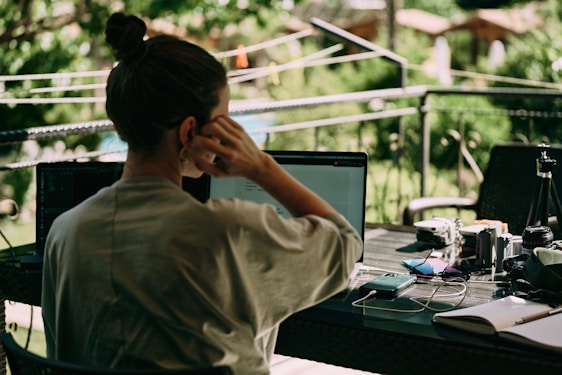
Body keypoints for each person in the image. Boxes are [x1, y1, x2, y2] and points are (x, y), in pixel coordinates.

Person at [41, 12, 362, 375]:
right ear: (190, 131)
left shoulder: (66, 231)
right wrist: (260, 167)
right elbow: (345, 245)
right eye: (223, 118)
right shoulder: (227, 230)